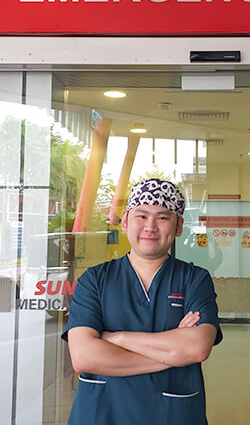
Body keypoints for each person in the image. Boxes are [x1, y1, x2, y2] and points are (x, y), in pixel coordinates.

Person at [62, 178, 223, 425]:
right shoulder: (94, 280)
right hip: (102, 414)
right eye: (142, 215)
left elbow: (196, 348)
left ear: (178, 226)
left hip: (172, 416)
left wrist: (117, 338)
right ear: (125, 222)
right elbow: (85, 357)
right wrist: (172, 352)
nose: (150, 226)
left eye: (162, 217)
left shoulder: (194, 279)